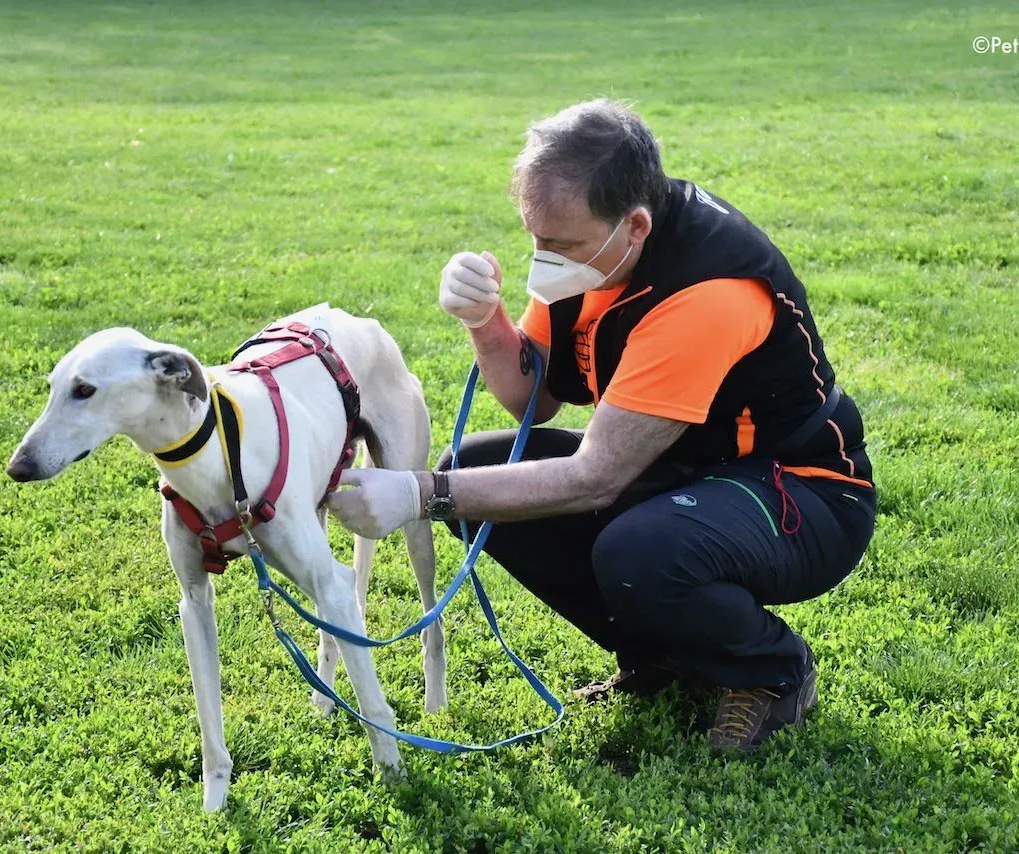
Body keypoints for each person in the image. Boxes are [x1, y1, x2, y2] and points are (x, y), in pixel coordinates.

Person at [327, 99, 876, 752]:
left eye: (559, 244)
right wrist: (486, 321)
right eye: (533, 236)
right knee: (476, 475)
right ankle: (665, 656)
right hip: (692, 469)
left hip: (803, 490)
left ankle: (770, 670)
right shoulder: (598, 249)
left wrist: (420, 494)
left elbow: (595, 477)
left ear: (635, 226)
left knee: (639, 548)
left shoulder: (707, 293)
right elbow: (534, 395)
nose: (541, 259)